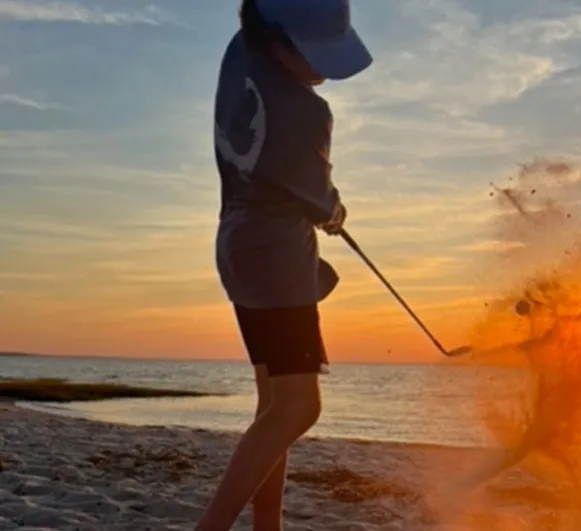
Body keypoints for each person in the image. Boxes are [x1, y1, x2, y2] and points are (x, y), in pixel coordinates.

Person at [196, 0, 372, 529]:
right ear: (275, 38)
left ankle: (266, 523)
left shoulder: (241, 50)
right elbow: (319, 200)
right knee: (299, 409)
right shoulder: (307, 113)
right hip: (276, 259)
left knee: (273, 401)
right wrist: (335, 211)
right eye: (314, 53)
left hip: (237, 244)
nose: (324, 70)